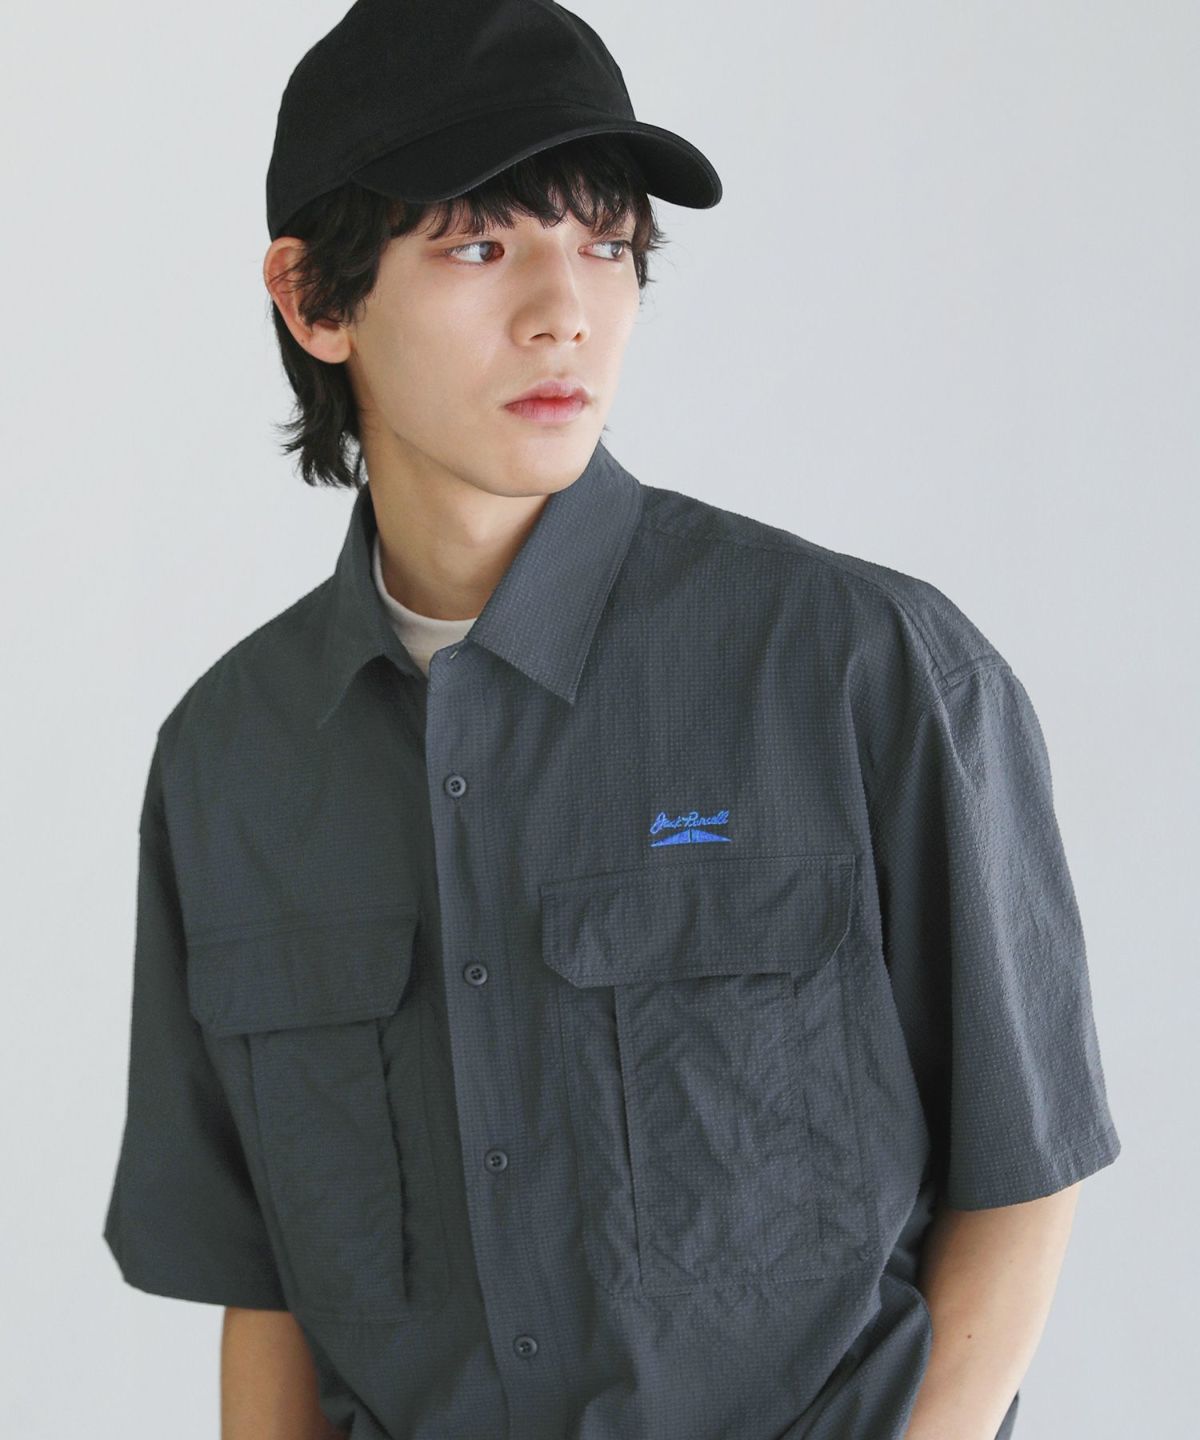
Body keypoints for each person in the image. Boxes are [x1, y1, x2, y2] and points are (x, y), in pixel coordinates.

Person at [101, 2, 1122, 1437]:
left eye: (605, 243)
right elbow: (263, 1287)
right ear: (313, 297)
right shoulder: (230, 762)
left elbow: (1025, 1176)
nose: (563, 310)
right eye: (479, 246)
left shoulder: (867, 670)